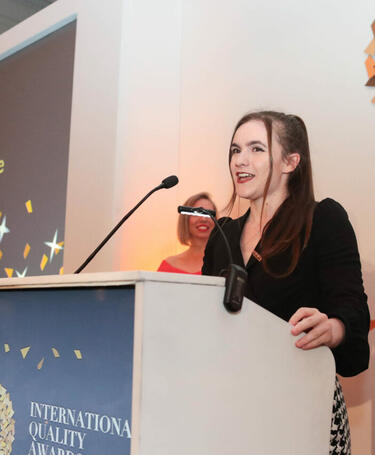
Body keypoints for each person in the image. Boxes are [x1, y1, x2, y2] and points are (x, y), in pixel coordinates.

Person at [202, 111, 370, 455]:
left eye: (256, 149)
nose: (240, 160)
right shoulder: (223, 235)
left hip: (302, 407)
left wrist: (334, 328)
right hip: (231, 409)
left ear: (290, 162)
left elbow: (352, 309)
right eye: (235, 150)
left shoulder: (323, 219)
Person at [158, 192, 217, 275]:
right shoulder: (168, 266)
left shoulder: (225, 262)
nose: (203, 219)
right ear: (185, 220)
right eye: (196, 213)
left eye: (209, 214)